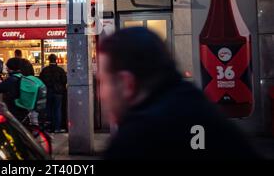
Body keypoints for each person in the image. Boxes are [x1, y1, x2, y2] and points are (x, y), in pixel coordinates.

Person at [98, 27, 260, 159]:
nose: (101, 95)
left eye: (102, 82)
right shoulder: (196, 102)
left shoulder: (135, 140)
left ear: (128, 84)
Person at [39, 54, 67, 133]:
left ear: (48, 60)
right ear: (56, 60)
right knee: (57, 110)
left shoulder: (45, 70)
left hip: (48, 92)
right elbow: (65, 80)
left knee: (48, 109)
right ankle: (57, 128)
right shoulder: (60, 70)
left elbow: (41, 80)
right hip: (58, 93)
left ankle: (49, 127)